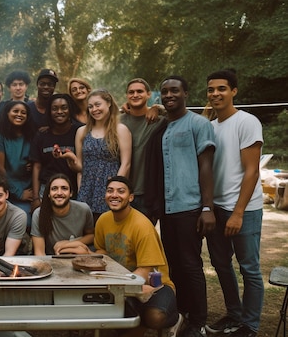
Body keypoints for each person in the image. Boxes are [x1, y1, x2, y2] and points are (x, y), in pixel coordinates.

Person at [145, 75, 216, 337]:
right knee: (173, 263)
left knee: (190, 263)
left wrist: (207, 208)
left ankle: (198, 322)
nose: (169, 95)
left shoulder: (199, 124)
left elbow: (206, 166)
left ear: (186, 93)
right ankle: (182, 313)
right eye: (164, 92)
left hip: (190, 205)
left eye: (174, 90)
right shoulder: (163, 128)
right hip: (167, 207)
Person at [205, 70, 264, 337]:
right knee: (220, 263)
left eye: (222, 89)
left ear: (234, 91)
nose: (216, 93)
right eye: (211, 90)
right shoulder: (211, 126)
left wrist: (238, 213)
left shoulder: (247, 122)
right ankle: (234, 313)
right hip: (217, 208)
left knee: (249, 267)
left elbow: (252, 171)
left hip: (244, 209)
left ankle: (250, 325)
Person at [94, 176, 183, 336]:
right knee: (112, 318)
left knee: (154, 317)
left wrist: (117, 286)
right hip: (125, 283)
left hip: (155, 284)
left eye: (121, 191)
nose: (114, 195)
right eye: (110, 190)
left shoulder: (142, 225)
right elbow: (101, 252)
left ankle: (174, 319)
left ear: (131, 197)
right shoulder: (103, 220)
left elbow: (144, 271)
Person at [65, 89, 132, 222]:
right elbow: (80, 167)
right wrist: (70, 159)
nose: (94, 109)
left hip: (110, 189)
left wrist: (115, 192)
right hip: (87, 189)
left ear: (108, 104)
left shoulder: (120, 130)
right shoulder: (82, 131)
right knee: (88, 231)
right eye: (90, 106)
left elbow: (126, 164)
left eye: (97, 104)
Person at [119, 78, 167, 220]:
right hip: (123, 190)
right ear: (127, 96)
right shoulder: (118, 121)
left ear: (149, 94)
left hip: (148, 192)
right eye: (131, 92)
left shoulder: (158, 120)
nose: (135, 95)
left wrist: (158, 108)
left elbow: (176, 113)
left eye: (139, 91)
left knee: (143, 237)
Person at [0, 100, 35, 223]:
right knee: (20, 219)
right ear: (7, 113)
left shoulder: (30, 134)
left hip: (27, 186)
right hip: (6, 189)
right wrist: (18, 193)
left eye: (23, 112)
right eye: (15, 111)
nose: (19, 114)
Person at [30, 94, 81, 211]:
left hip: (73, 189)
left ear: (70, 110)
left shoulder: (79, 131)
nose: (59, 111)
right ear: (49, 111)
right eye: (54, 108)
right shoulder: (41, 135)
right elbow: (36, 167)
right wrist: (36, 197)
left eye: (64, 107)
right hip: (46, 189)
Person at [31, 174, 93, 256]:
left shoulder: (84, 209)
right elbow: (39, 253)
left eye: (64, 188)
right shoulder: (39, 214)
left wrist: (67, 244)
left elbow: (91, 236)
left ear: (71, 193)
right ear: (48, 194)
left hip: (77, 256)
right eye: (54, 189)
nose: (59, 193)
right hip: (51, 258)